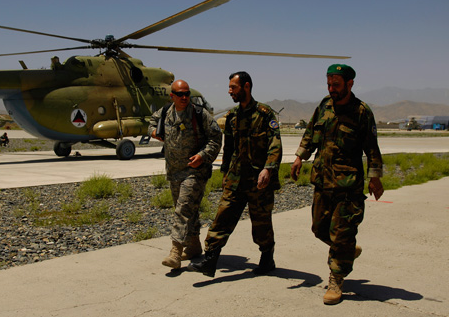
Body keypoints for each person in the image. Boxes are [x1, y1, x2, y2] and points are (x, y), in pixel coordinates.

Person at [290, 64, 384, 305]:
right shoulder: (324, 105)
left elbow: (372, 148)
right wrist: (300, 156)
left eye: (337, 85)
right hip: (322, 180)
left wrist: (375, 177)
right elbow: (311, 134)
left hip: (347, 185)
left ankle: (336, 279)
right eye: (329, 84)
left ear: (350, 84)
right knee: (319, 229)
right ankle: (347, 251)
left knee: (342, 233)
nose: (332, 89)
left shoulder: (361, 112)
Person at [188, 71, 282, 277]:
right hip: (236, 179)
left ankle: (267, 257)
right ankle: (210, 260)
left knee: (261, 222)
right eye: (229, 87)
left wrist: (268, 168)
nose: (229, 91)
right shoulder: (232, 117)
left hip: (259, 181)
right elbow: (228, 149)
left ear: (246, 87)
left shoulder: (265, 114)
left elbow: (275, 144)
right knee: (222, 217)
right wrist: (224, 173)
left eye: (233, 87)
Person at [148, 79, 222, 270]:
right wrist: (154, 131)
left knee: (182, 210)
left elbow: (216, 137)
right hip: (174, 171)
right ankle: (194, 246)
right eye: (179, 94)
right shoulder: (165, 112)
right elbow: (151, 121)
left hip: (194, 171)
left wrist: (203, 155)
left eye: (187, 93)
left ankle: (175, 251)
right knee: (189, 210)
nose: (184, 97)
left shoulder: (199, 113)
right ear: (171, 96)